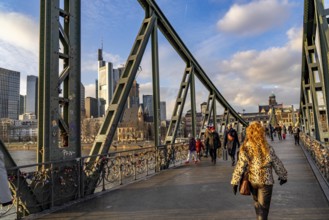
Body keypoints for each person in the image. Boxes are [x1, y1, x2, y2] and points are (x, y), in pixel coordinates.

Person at [231, 122, 287, 220]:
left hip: (253, 180)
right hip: (266, 181)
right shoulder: (266, 147)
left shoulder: (245, 147)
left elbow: (240, 165)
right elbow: (276, 162)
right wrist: (283, 176)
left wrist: (235, 181)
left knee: (258, 206)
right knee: (263, 209)